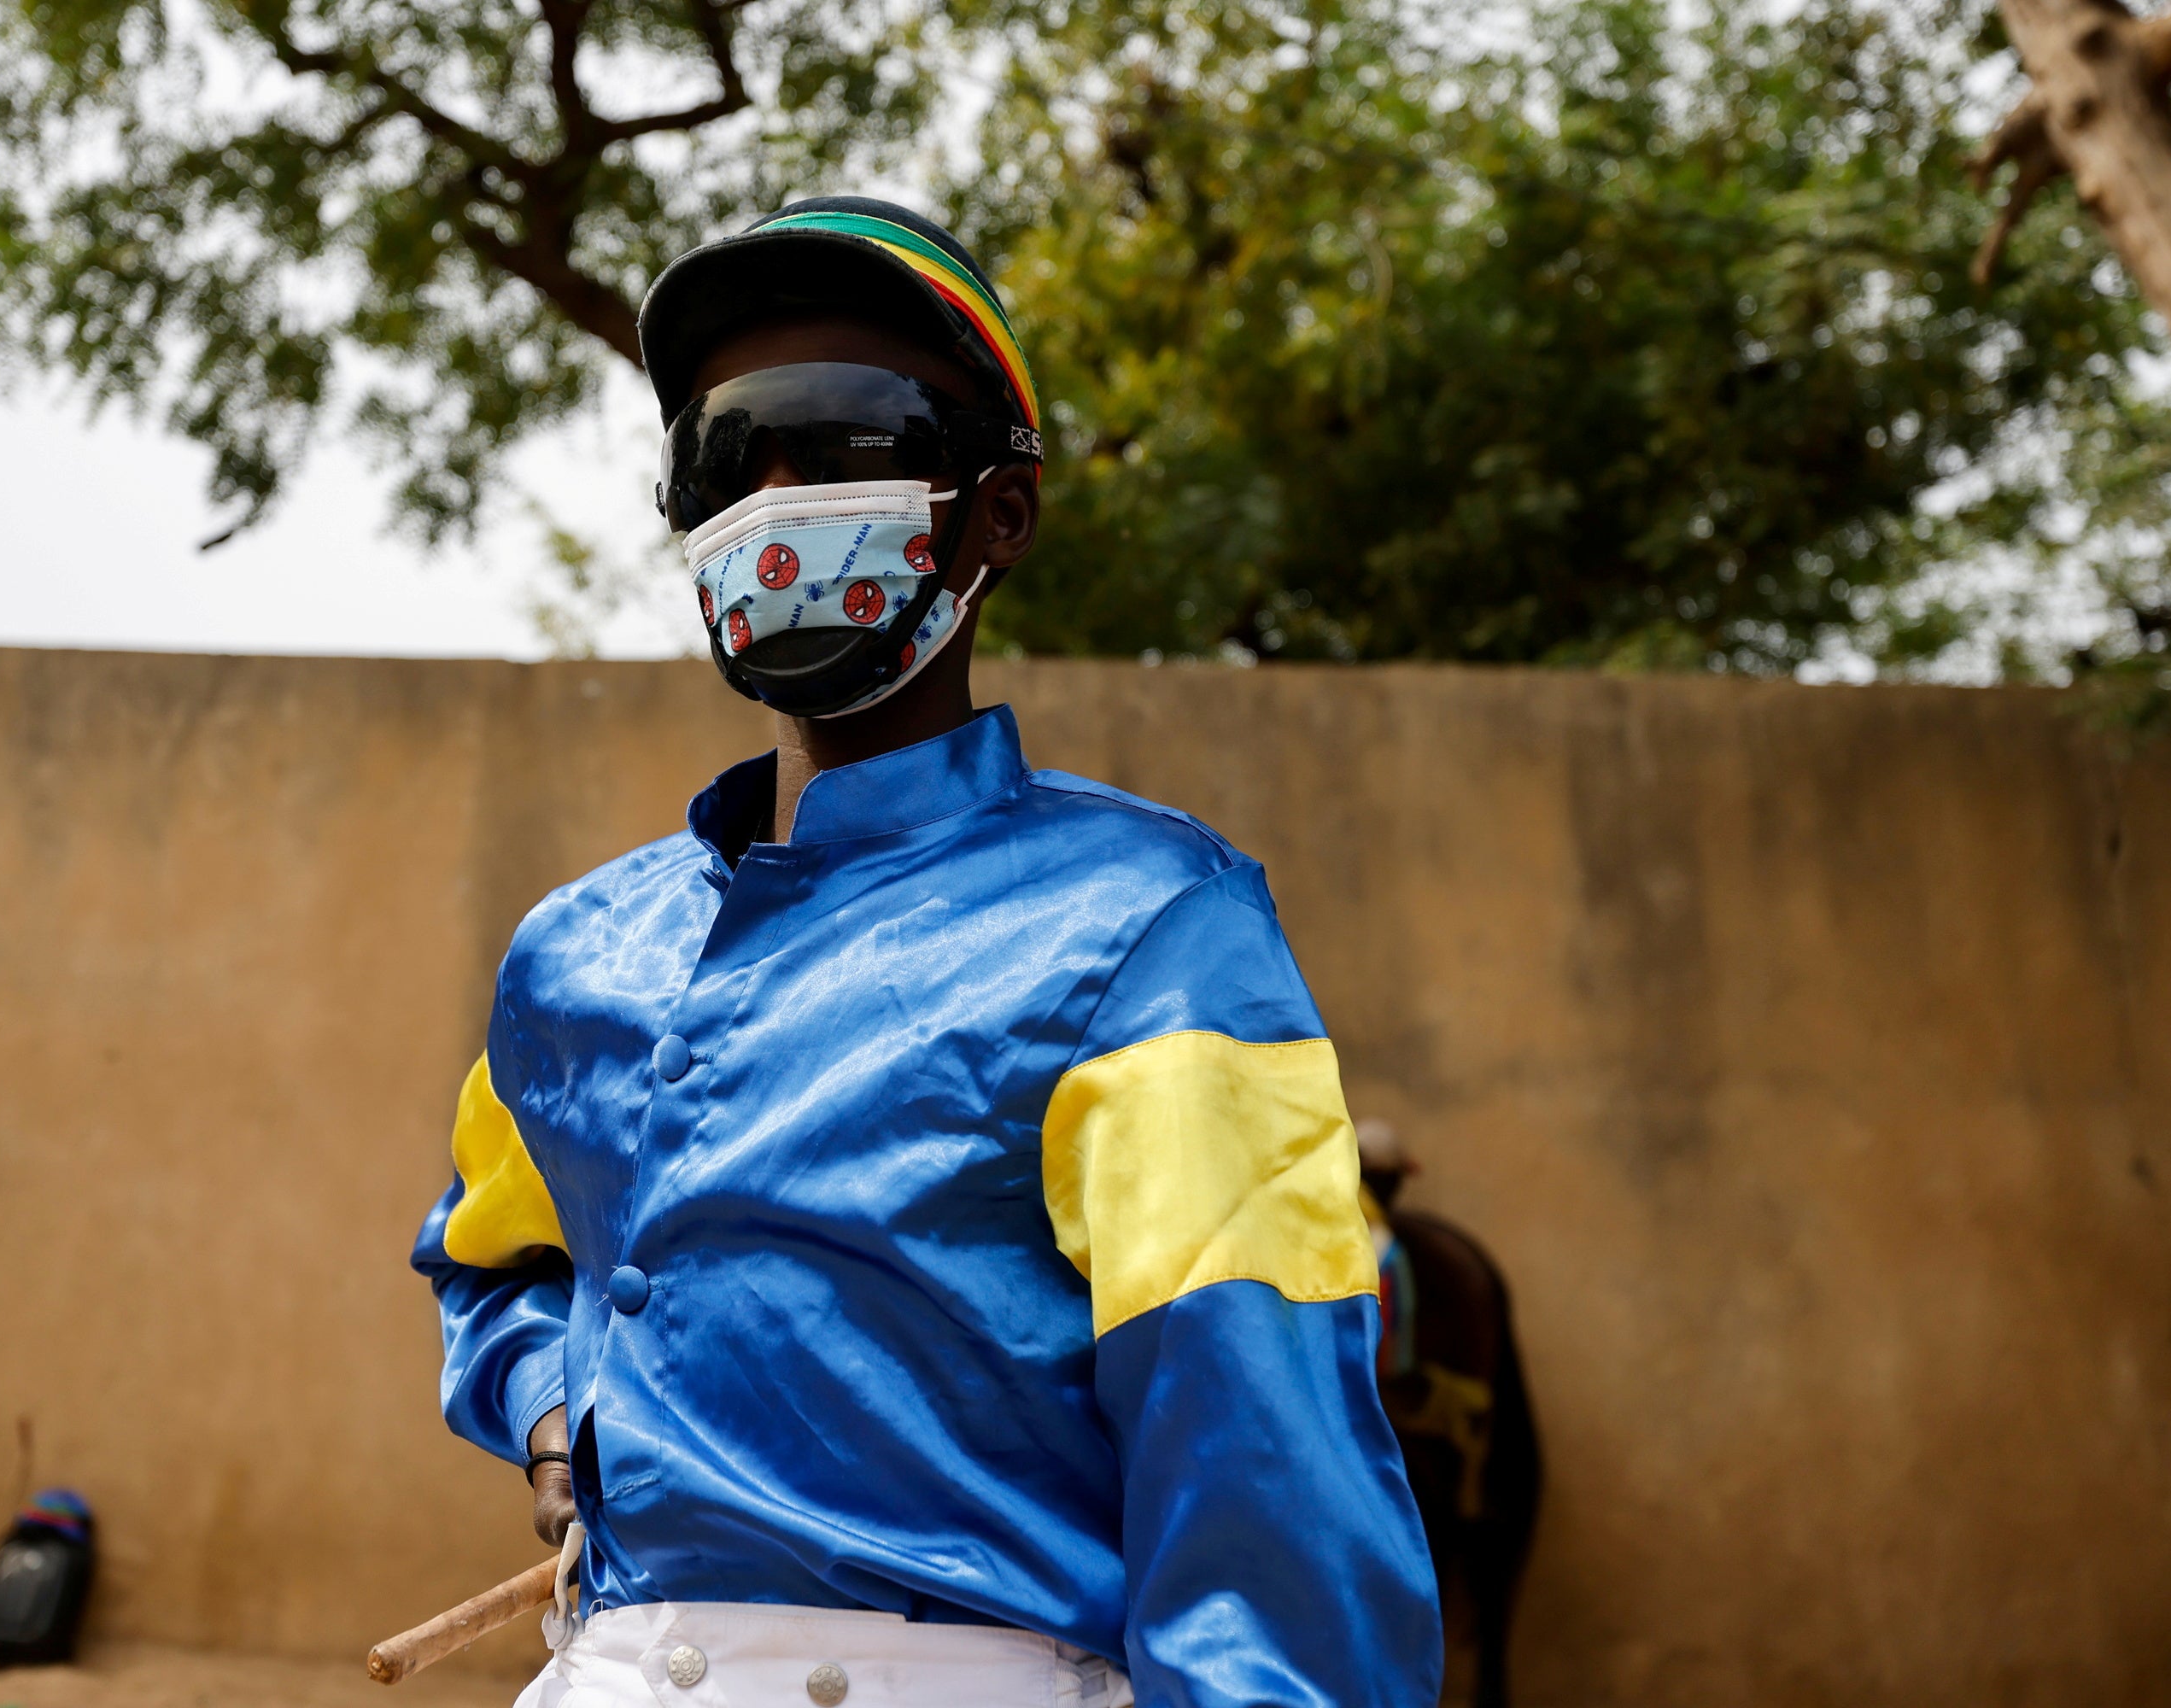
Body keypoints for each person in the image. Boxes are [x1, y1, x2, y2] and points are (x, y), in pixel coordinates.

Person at [412, 196, 1441, 1708]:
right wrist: (561, 1413)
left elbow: (1260, 1451)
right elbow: (490, 1258)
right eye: (719, 453)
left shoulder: (1158, 925)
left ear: (997, 514)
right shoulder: (575, 955)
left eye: (841, 437)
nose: (768, 495)